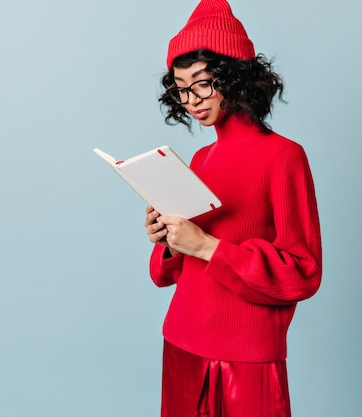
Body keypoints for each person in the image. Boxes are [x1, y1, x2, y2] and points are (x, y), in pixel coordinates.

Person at [143, 1, 322, 416]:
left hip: (246, 354)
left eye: (202, 83)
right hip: (181, 341)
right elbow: (165, 274)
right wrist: (167, 240)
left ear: (235, 77)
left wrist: (207, 246)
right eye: (181, 87)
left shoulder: (283, 156)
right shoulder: (201, 159)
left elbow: (304, 271)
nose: (191, 99)